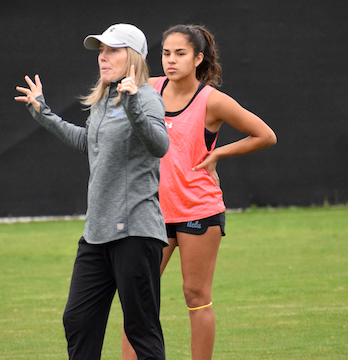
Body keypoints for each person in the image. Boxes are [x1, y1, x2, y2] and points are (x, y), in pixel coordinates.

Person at [121, 24, 277, 360]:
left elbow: (265, 135)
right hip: (153, 213)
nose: (171, 60)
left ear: (198, 58)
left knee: (196, 295)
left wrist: (218, 153)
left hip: (198, 212)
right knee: (136, 300)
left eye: (180, 53)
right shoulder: (147, 89)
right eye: (165, 53)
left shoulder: (212, 100)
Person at [15, 24, 169, 360]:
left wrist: (132, 106)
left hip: (135, 231)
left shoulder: (144, 97)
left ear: (133, 56)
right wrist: (44, 113)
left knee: (141, 329)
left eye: (112, 50)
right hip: (97, 234)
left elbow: (160, 145)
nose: (103, 57)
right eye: (100, 51)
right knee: (78, 320)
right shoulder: (104, 98)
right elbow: (88, 142)